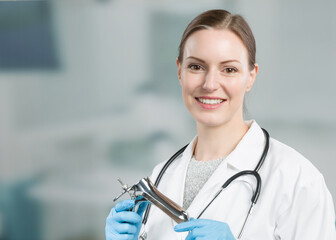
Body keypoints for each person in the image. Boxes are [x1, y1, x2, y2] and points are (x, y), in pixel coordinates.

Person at [105, 9, 336, 240]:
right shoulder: (162, 176)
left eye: (229, 69)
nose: (210, 84)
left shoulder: (297, 180)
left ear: (251, 77)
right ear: (179, 71)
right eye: (196, 66)